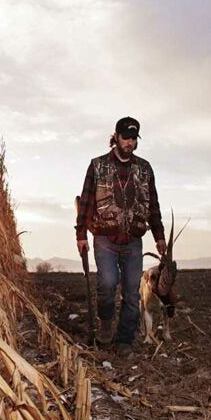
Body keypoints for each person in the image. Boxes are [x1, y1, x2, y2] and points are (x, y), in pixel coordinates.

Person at [75, 117, 166, 354]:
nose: (130, 142)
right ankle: (106, 323)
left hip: (134, 240)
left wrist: (159, 235)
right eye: (126, 137)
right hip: (105, 238)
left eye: (134, 138)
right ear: (115, 137)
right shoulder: (97, 166)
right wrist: (81, 234)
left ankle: (124, 339)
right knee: (106, 285)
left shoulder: (144, 169)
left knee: (130, 291)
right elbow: (85, 202)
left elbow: (153, 204)